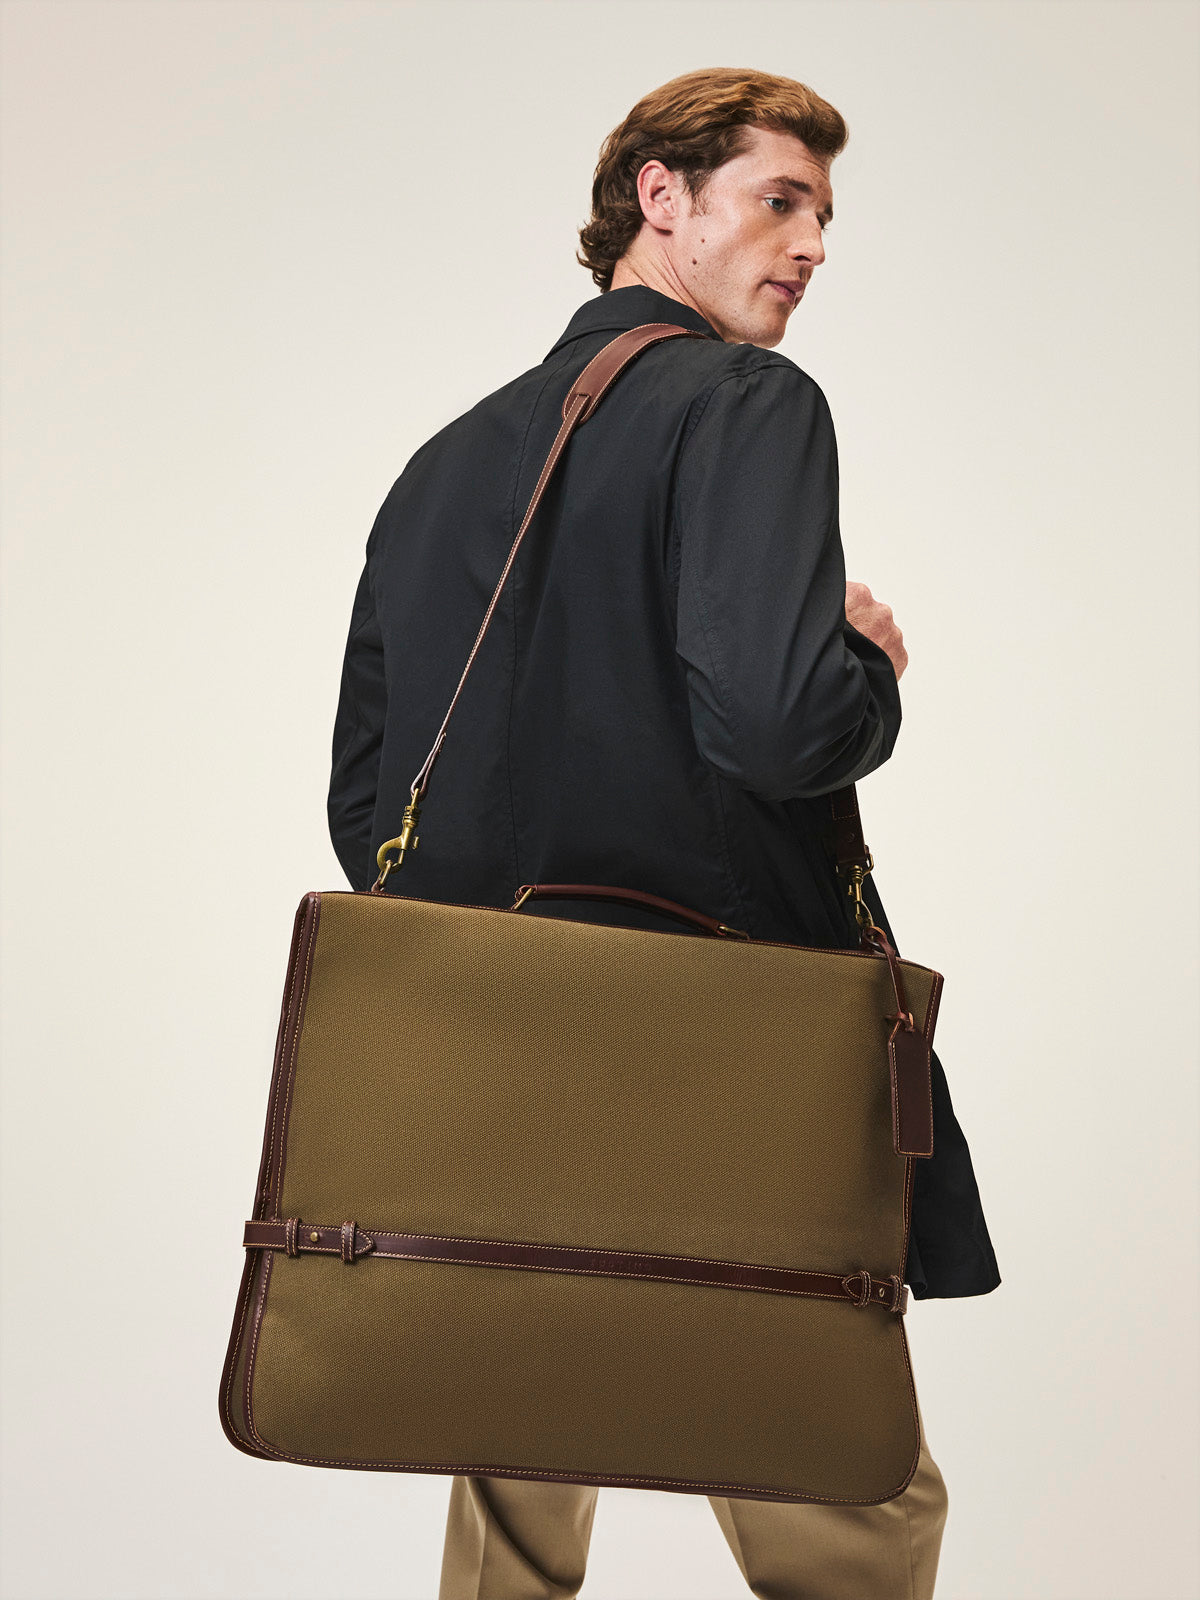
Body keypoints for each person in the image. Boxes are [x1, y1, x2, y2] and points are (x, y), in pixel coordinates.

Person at [327, 65, 1001, 1600]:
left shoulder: (445, 465)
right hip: (715, 1069)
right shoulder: (747, 404)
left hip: (485, 1076)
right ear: (661, 197)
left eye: (825, 215)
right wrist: (863, 668)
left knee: (517, 1464)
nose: (812, 244)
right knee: (849, 1489)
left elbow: (370, 809)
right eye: (780, 200)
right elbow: (774, 729)